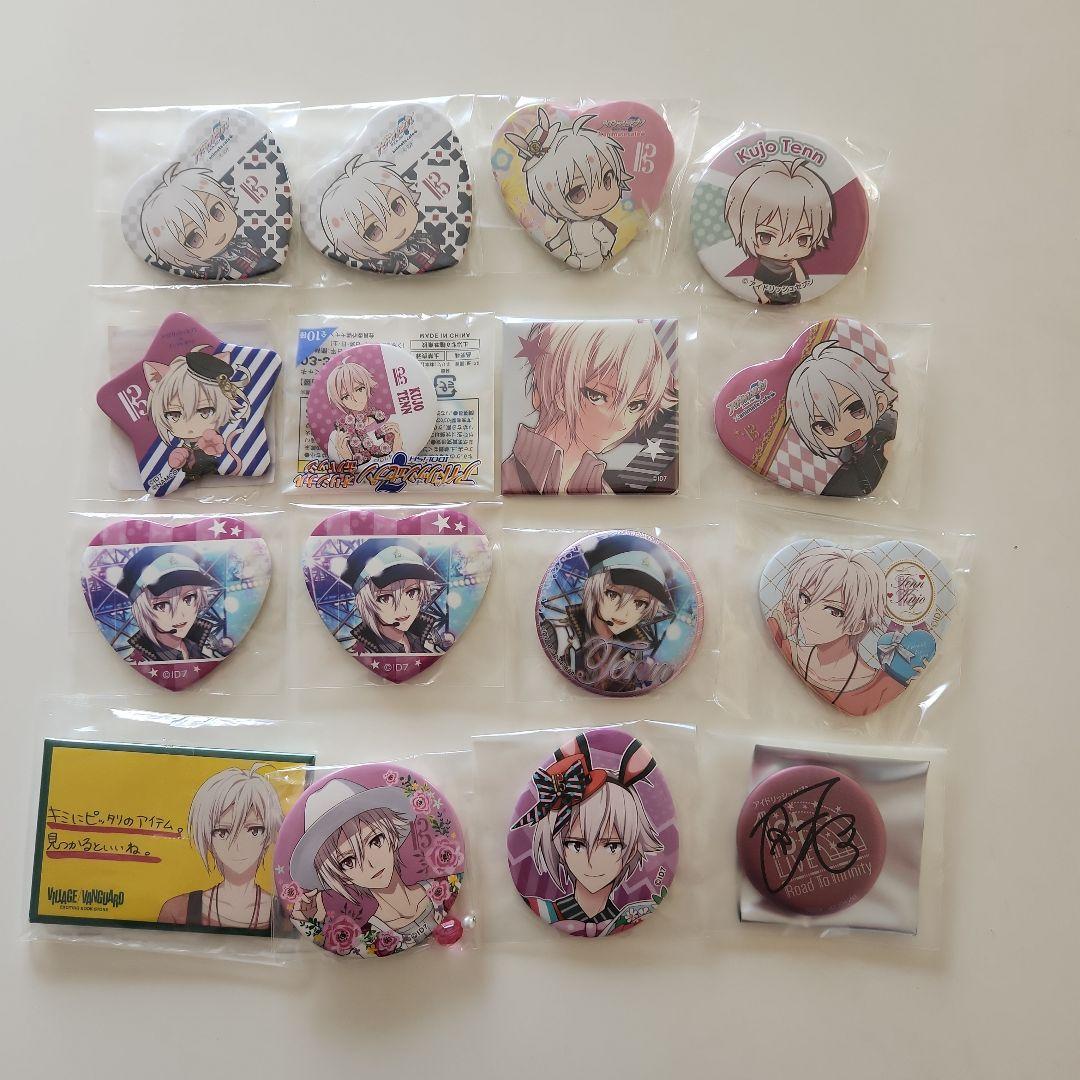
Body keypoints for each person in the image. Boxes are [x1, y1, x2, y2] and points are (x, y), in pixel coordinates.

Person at [512, 734, 663, 934]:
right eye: (577, 845)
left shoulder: (627, 916)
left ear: (633, 847)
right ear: (559, 847)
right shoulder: (542, 909)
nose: (592, 862)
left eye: (612, 846)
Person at [501, 321, 676, 495]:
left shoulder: (601, 490)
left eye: (636, 405)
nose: (621, 423)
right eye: (597, 396)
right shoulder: (508, 477)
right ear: (560, 392)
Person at [158, 763, 281, 930]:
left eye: (254, 830)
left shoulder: (287, 913)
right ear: (208, 839)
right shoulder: (177, 910)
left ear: (268, 837)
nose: (238, 846)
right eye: (222, 832)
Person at [506, 108, 632, 270]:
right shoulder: (572, 225)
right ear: (553, 208)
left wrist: (605, 251)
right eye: (578, 193)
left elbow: (608, 239)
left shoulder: (596, 226)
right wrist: (553, 244)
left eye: (607, 179)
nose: (600, 194)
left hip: (592, 257)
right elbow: (564, 235)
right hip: (576, 257)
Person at [784, 338, 898, 497]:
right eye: (825, 426)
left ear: (880, 403)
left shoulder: (883, 432)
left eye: (855, 408)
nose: (843, 427)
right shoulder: (846, 458)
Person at [724, 157, 834, 305]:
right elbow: (757, 284)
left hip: (793, 297)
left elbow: (802, 280)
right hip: (771, 299)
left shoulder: (792, 264)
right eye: (766, 237)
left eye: (802, 239)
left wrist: (796, 267)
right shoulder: (765, 267)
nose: (785, 249)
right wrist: (763, 297)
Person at [143, 346, 251, 481]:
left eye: (205, 411)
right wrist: (178, 458)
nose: (190, 425)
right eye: (175, 415)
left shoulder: (212, 440)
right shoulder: (187, 445)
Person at [342, 538, 452, 656]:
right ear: (365, 602)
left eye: (412, 592)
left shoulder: (430, 636)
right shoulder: (362, 652)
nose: (403, 608)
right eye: (385, 598)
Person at [118, 546, 228, 664]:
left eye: (189, 598)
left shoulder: (207, 644)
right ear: (141, 609)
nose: (181, 614)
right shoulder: (140, 661)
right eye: (162, 605)